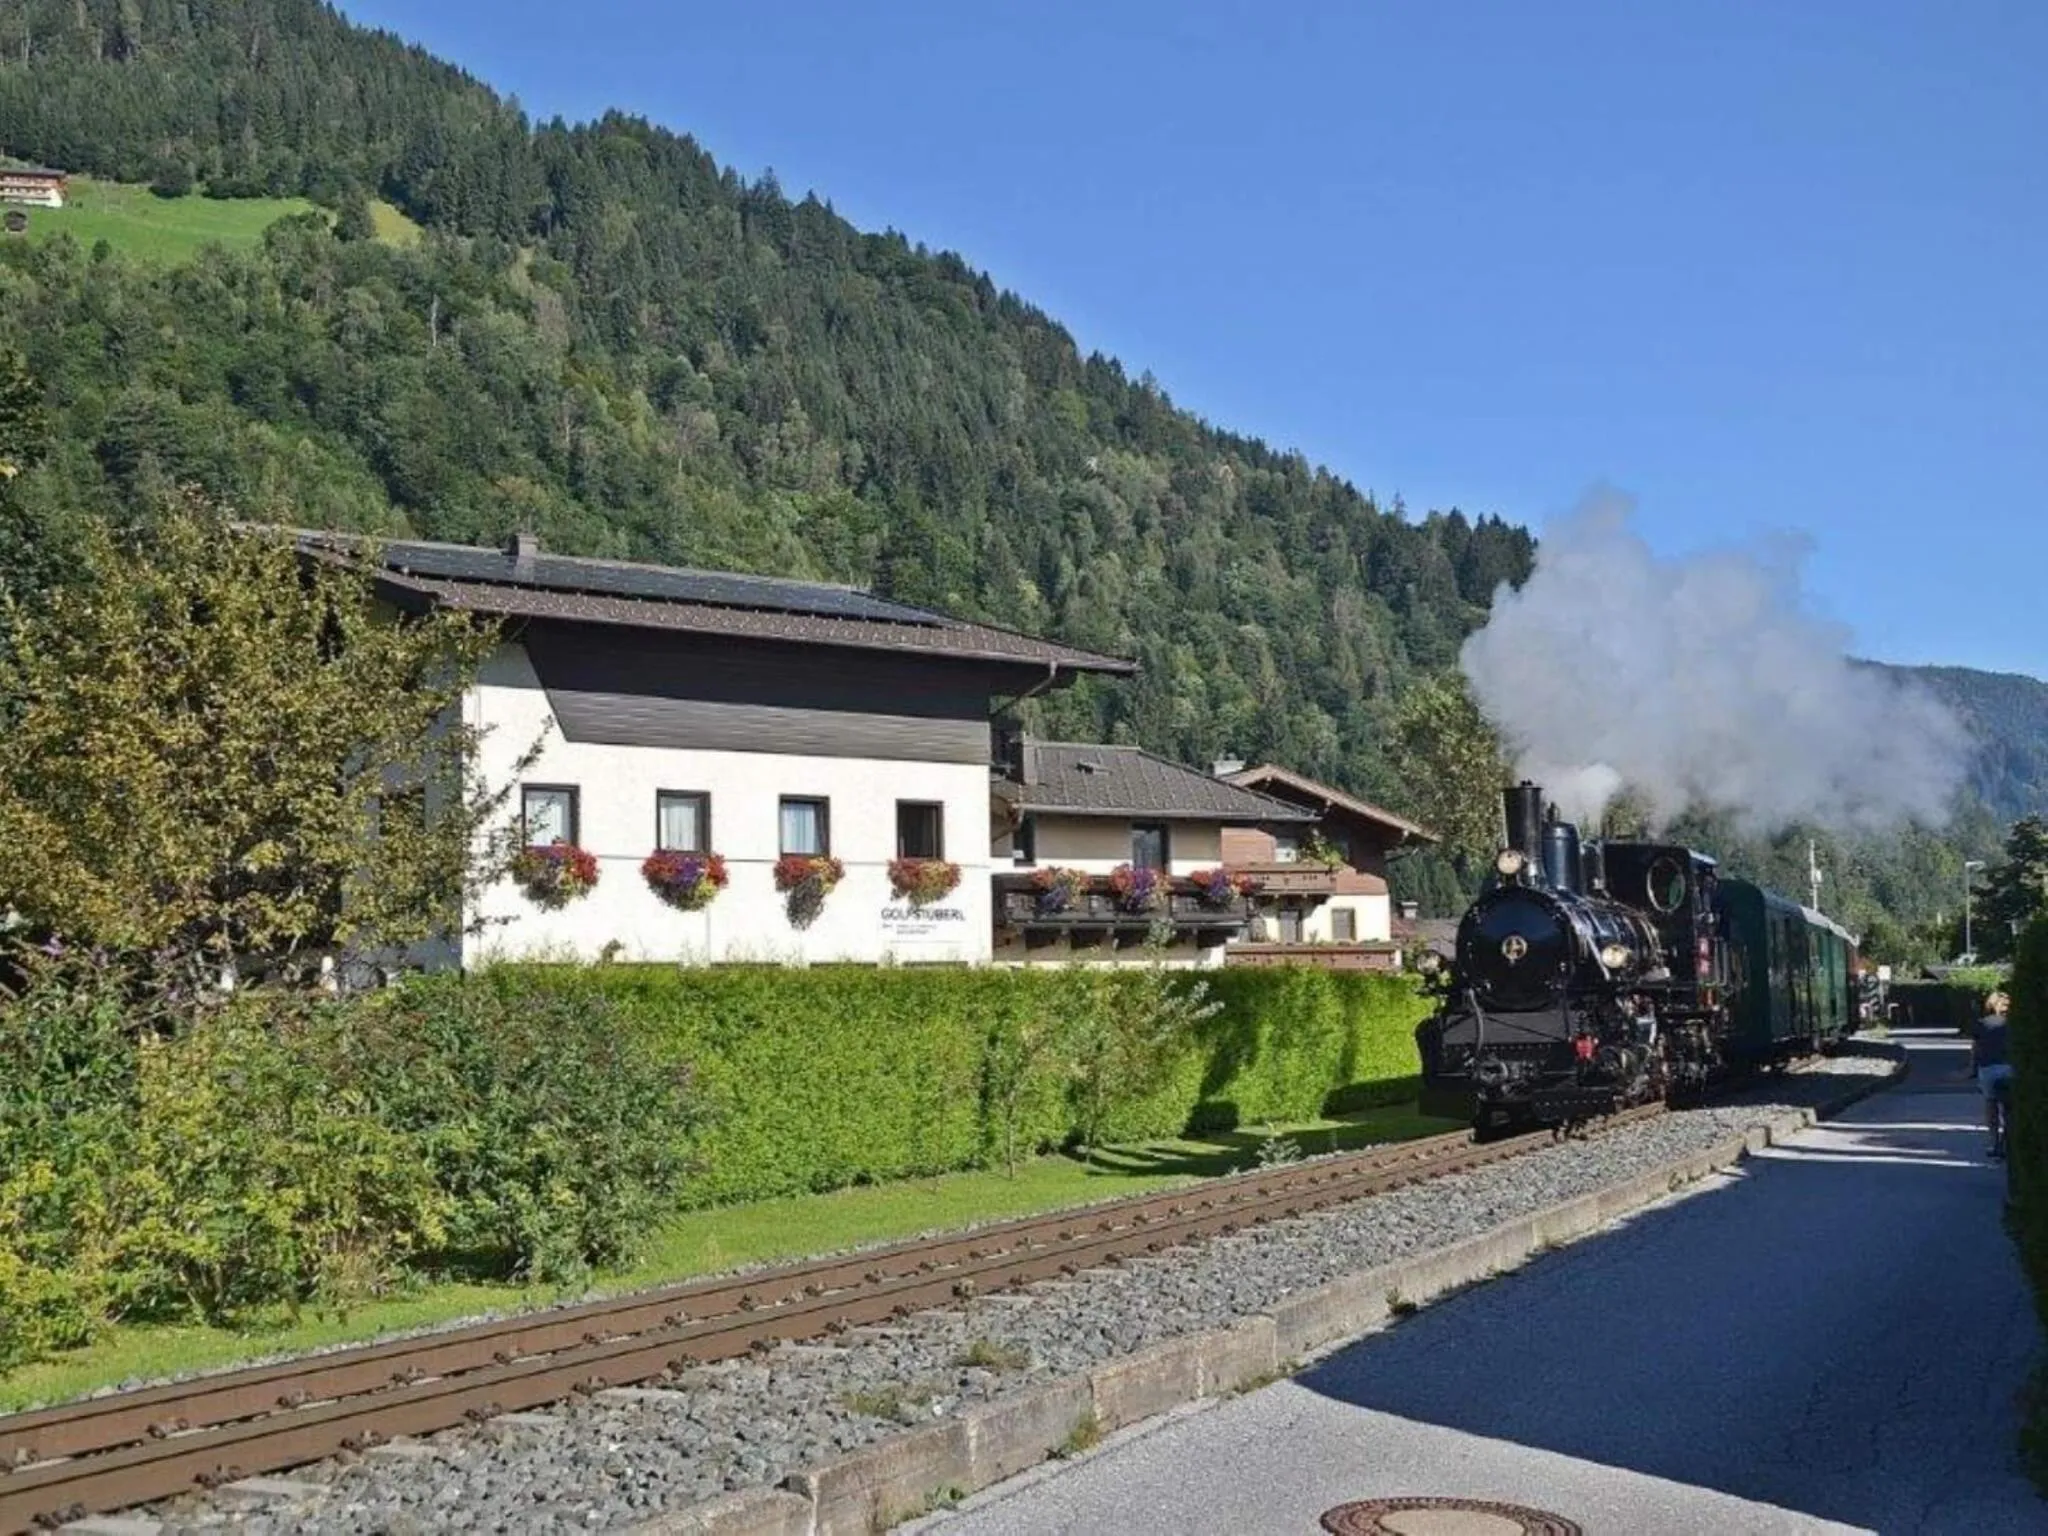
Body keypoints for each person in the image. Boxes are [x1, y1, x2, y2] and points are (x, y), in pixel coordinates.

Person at [1971, 991, 2013, 1158]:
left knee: (1991, 1104)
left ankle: (1993, 1141)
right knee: (2009, 1106)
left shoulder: (1981, 1024)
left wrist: (1971, 1069)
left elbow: (1975, 1049)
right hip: (2010, 1067)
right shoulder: (2015, 1023)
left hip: (1988, 1068)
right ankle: (2007, 1138)